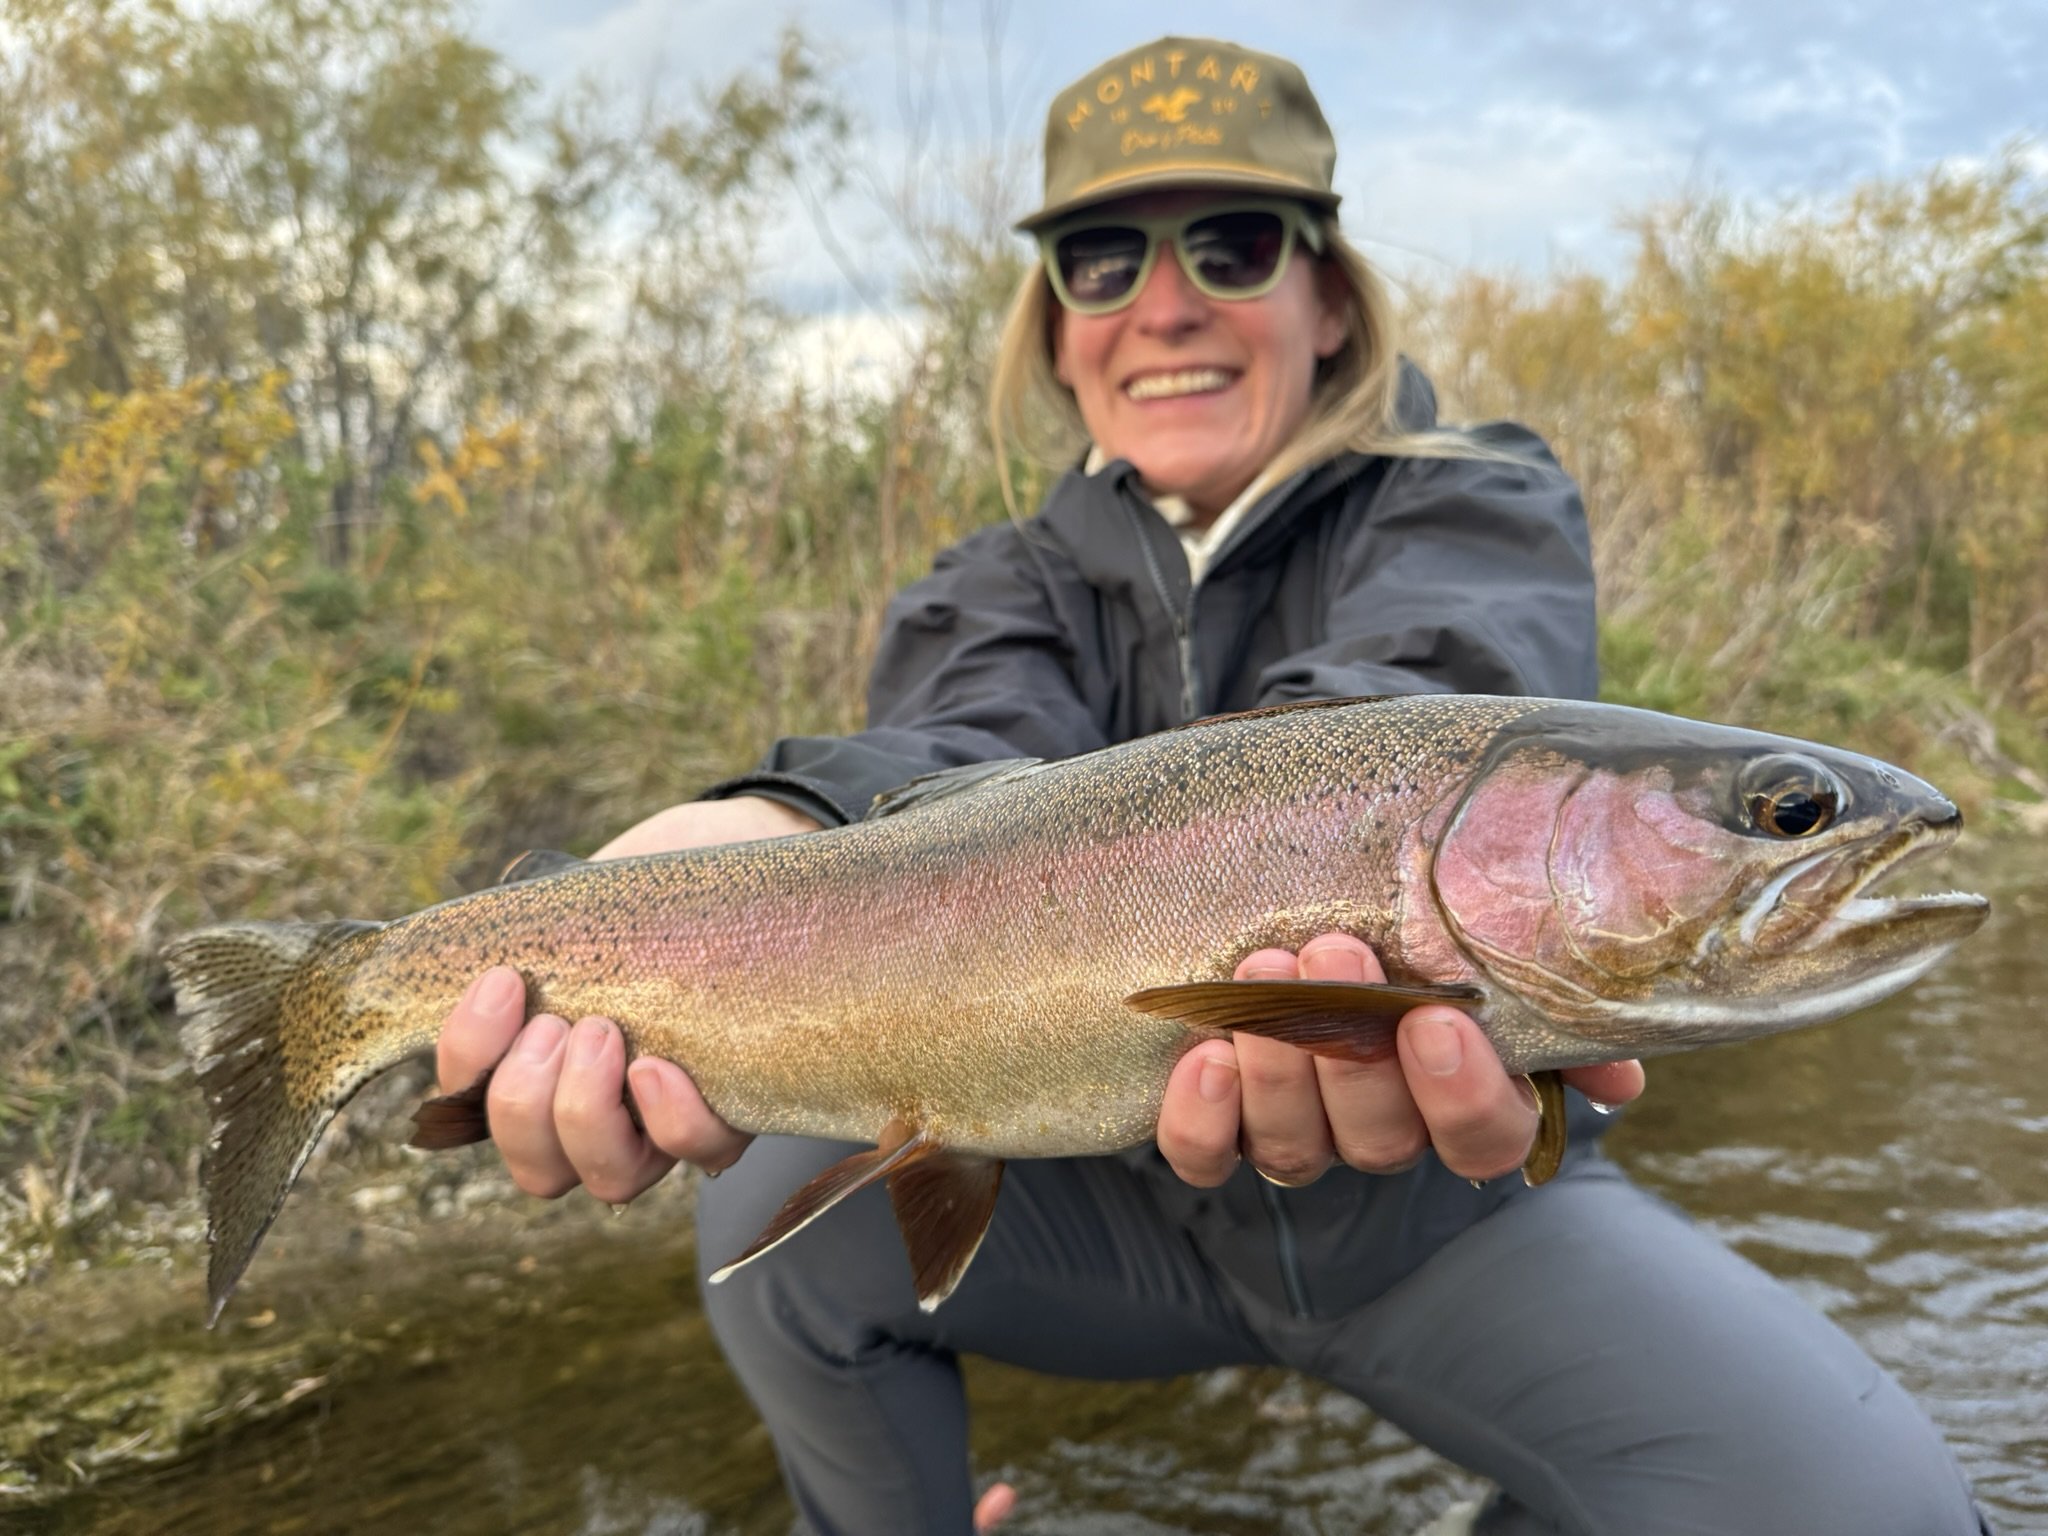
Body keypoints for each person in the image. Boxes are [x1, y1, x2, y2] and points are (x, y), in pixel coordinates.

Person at [435, 36, 1991, 1536]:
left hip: (1441, 1224)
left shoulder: (1475, 498)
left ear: (1329, 293)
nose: (1164, 305)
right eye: (1102, 263)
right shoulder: (995, 582)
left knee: (1874, 1512)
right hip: (1104, 1208)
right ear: (1055, 326)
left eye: (1233, 245)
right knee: (764, 1222)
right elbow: (964, 764)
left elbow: (1405, 705)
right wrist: (778, 824)